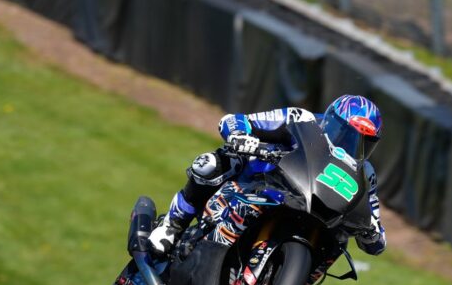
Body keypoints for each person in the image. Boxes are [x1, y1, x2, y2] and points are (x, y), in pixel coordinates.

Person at [147, 95, 386, 266]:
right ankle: (172, 225)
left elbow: (373, 222)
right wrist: (242, 136)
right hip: (266, 177)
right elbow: (236, 120)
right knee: (211, 163)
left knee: (340, 238)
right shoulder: (301, 119)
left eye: (364, 143)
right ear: (329, 121)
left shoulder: (365, 173)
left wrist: (373, 233)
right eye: (345, 134)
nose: (351, 146)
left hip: (312, 209)